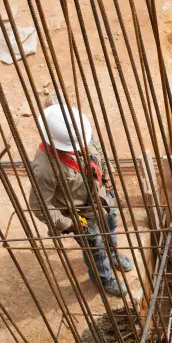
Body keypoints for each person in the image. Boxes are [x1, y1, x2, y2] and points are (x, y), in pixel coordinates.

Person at [29, 104, 134, 298]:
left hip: (102, 199)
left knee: (111, 227)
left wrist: (108, 175)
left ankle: (112, 254)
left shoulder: (82, 134)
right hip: (82, 215)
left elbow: (100, 153)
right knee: (95, 247)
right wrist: (69, 224)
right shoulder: (45, 168)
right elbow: (40, 206)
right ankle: (102, 277)